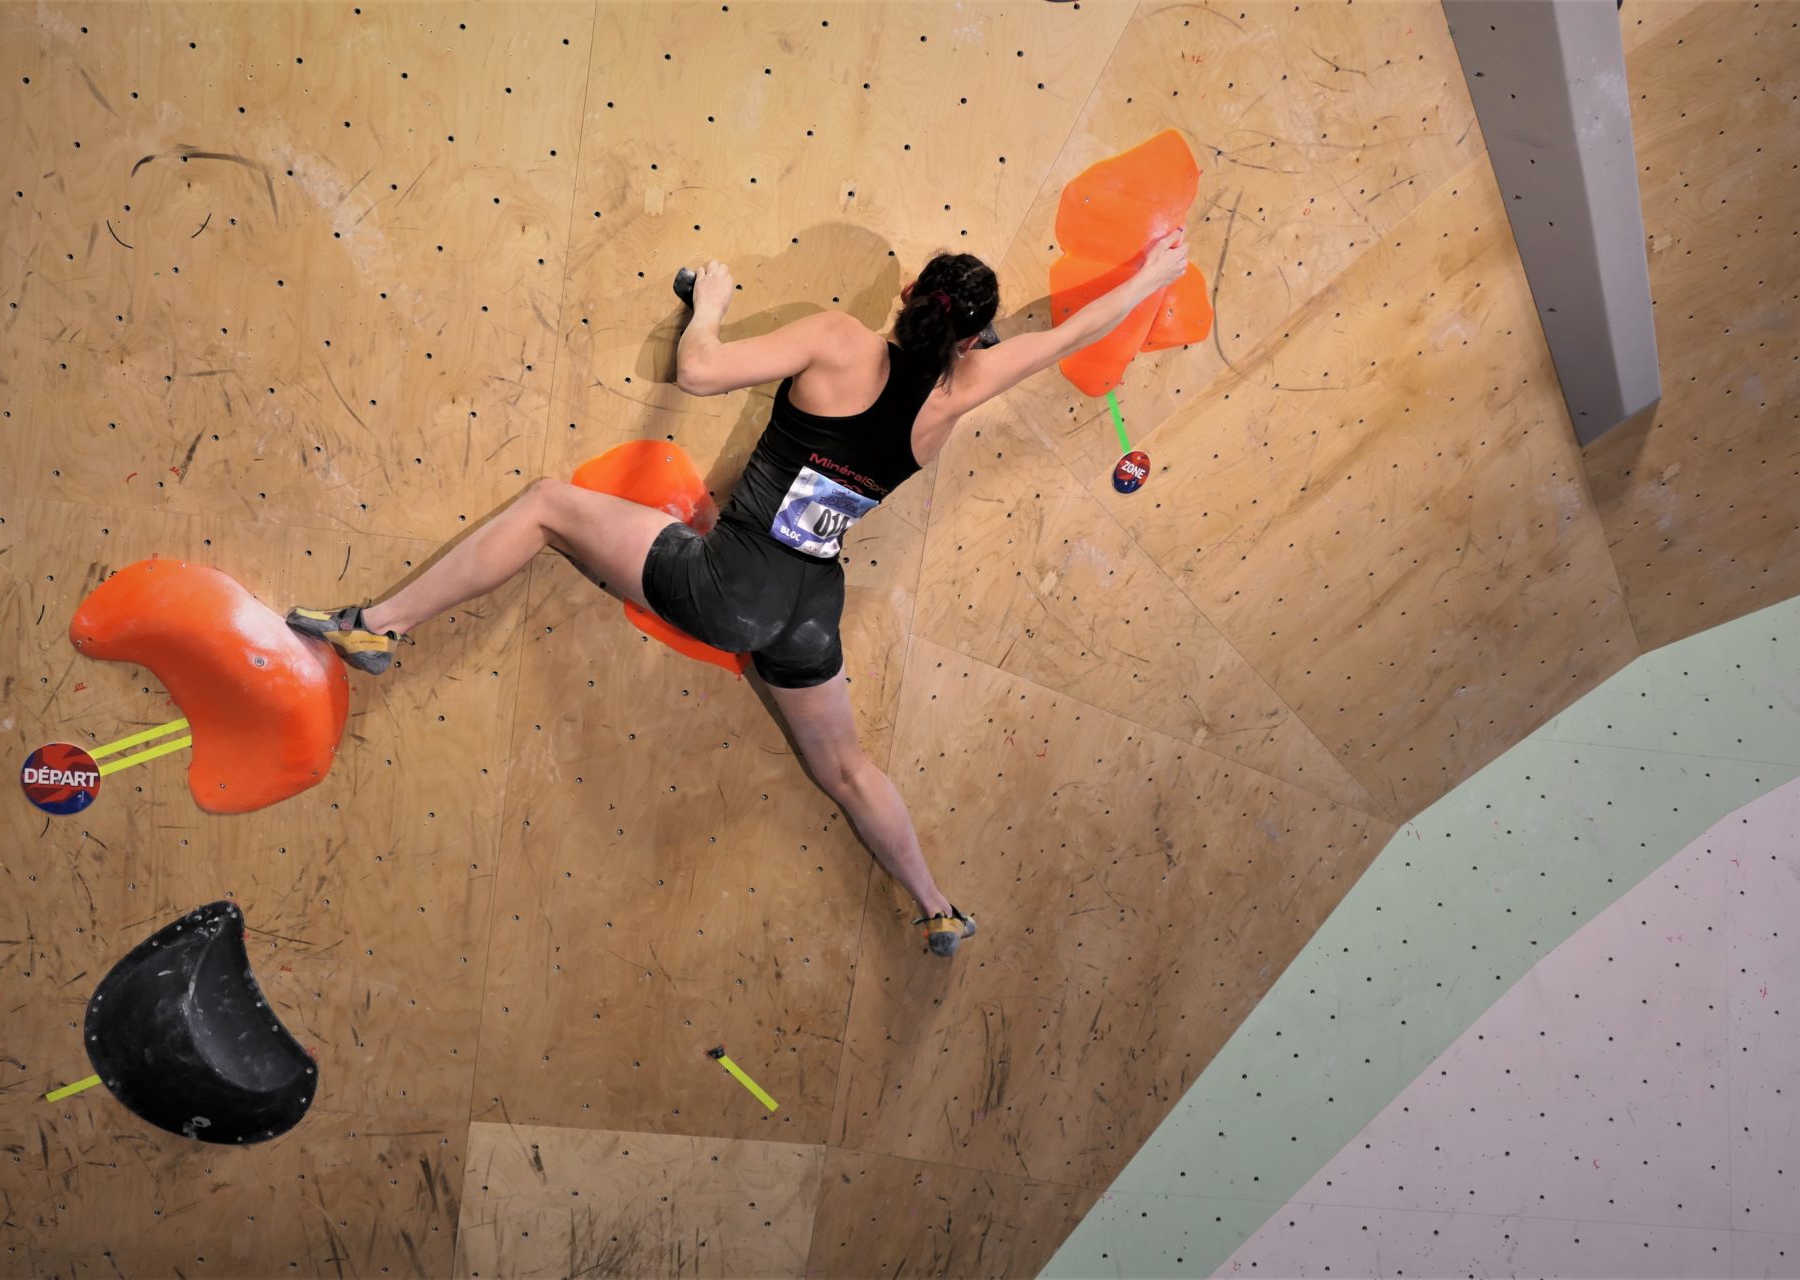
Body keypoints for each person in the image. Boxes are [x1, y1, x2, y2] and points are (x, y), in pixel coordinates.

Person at [287, 231, 1191, 957]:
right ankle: (937, 908)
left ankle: (379, 626)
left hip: (732, 583)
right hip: (810, 612)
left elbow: (699, 373)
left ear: (912, 293)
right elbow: (1073, 333)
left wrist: (710, 307)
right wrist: (1154, 276)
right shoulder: (964, 387)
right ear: (969, 338)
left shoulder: (840, 340)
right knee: (848, 769)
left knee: (548, 506)